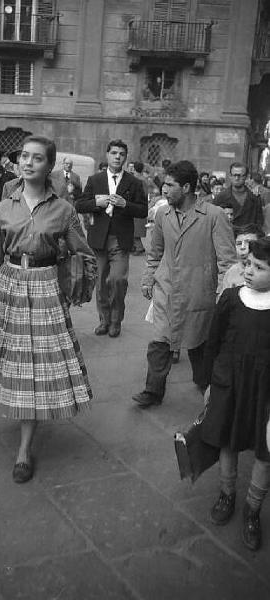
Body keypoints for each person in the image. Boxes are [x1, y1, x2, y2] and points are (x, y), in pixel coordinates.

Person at [0, 135, 96, 483]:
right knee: (14, 361)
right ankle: (23, 430)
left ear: (50, 165)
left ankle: (24, 450)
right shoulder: (5, 206)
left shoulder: (64, 209)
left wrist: (79, 287)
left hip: (46, 287)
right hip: (9, 283)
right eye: (24, 157)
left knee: (37, 366)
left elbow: (84, 253)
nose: (28, 162)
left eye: (37, 158)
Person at [132, 160, 236, 408]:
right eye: (164, 185)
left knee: (199, 346)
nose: (164, 190)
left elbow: (227, 262)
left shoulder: (214, 216)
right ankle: (153, 391)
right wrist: (148, 279)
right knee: (159, 343)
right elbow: (155, 253)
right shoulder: (162, 214)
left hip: (199, 294)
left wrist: (223, 295)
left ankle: (209, 391)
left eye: (170, 185)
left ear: (187, 187)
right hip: (166, 291)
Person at [201, 238, 270, 551]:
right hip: (229, 383)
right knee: (227, 440)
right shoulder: (230, 298)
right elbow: (212, 343)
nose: (250, 271)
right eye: (248, 264)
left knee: (265, 451)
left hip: (265, 390)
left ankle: (253, 510)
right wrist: (208, 385)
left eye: (260, 268)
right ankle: (227, 494)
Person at [76, 139, 147, 337]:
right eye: (114, 153)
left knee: (117, 280)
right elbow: (79, 205)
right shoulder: (95, 180)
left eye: (121, 154)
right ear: (107, 155)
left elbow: (143, 211)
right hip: (98, 238)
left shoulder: (133, 183)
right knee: (100, 283)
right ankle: (104, 320)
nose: (117, 157)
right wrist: (96, 202)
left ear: (125, 158)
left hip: (121, 238)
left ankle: (116, 320)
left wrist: (126, 204)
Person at [213, 163, 264, 227]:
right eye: (234, 175)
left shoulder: (255, 197)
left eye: (240, 175)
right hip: (228, 235)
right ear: (230, 176)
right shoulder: (220, 197)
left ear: (246, 177)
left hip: (249, 235)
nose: (237, 178)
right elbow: (213, 222)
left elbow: (259, 221)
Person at [221, 224, 265, 292]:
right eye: (238, 243)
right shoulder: (231, 273)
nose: (242, 247)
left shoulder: (267, 271)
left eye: (248, 243)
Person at [127, 161, 148, 255]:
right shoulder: (145, 179)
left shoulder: (134, 179)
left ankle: (139, 248)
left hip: (135, 205)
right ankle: (134, 246)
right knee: (135, 230)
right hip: (142, 205)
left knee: (135, 230)